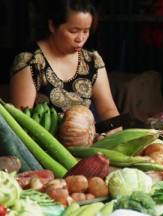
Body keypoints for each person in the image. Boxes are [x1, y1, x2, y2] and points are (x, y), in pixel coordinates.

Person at [9, 0, 120, 130]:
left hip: (86, 143)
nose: (80, 38)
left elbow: (107, 109)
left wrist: (115, 130)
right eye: (74, 31)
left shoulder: (92, 60)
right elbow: (22, 121)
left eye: (86, 31)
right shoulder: (30, 61)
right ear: (52, 25)